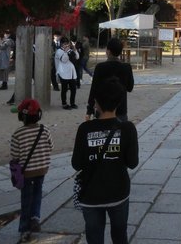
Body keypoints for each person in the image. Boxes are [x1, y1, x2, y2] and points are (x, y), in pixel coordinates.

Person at [72, 77, 139, 244]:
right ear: (118, 103)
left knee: (94, 237)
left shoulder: (85, 129)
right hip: (118, 191)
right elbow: (132, 162)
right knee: (119, 236)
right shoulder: (127, 128)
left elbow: (76, 164)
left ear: (96, 103)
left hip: (91, 194)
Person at [11, 99, 53, 242]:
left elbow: (15, 156)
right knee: (38, 192)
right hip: (42, 169)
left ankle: (24, 228)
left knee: (26, 197)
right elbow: (51, 147)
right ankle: (35, 217)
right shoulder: (45, 129)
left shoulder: (18, 133)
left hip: (27, 172)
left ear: (22, 117)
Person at [87, 38, 134, 121]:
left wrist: (89, 110)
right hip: (120, 108)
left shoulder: (100, 67)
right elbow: (130, 88)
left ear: (108, 51)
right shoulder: (126, 67)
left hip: (102, 108)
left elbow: (93, 89)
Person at [55, 37, 79, 110]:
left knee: (73, 89)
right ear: (61, 44)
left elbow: (77, 57)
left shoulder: (70, 50)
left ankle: (72, 103)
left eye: (67, 43)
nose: (66, 45)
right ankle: (64, 104)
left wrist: (75, 50)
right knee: (64, 89)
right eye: (64, 43)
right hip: (63, 73)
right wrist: (65, 52)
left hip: (71, 73)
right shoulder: (59, 51)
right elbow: (64, 60)